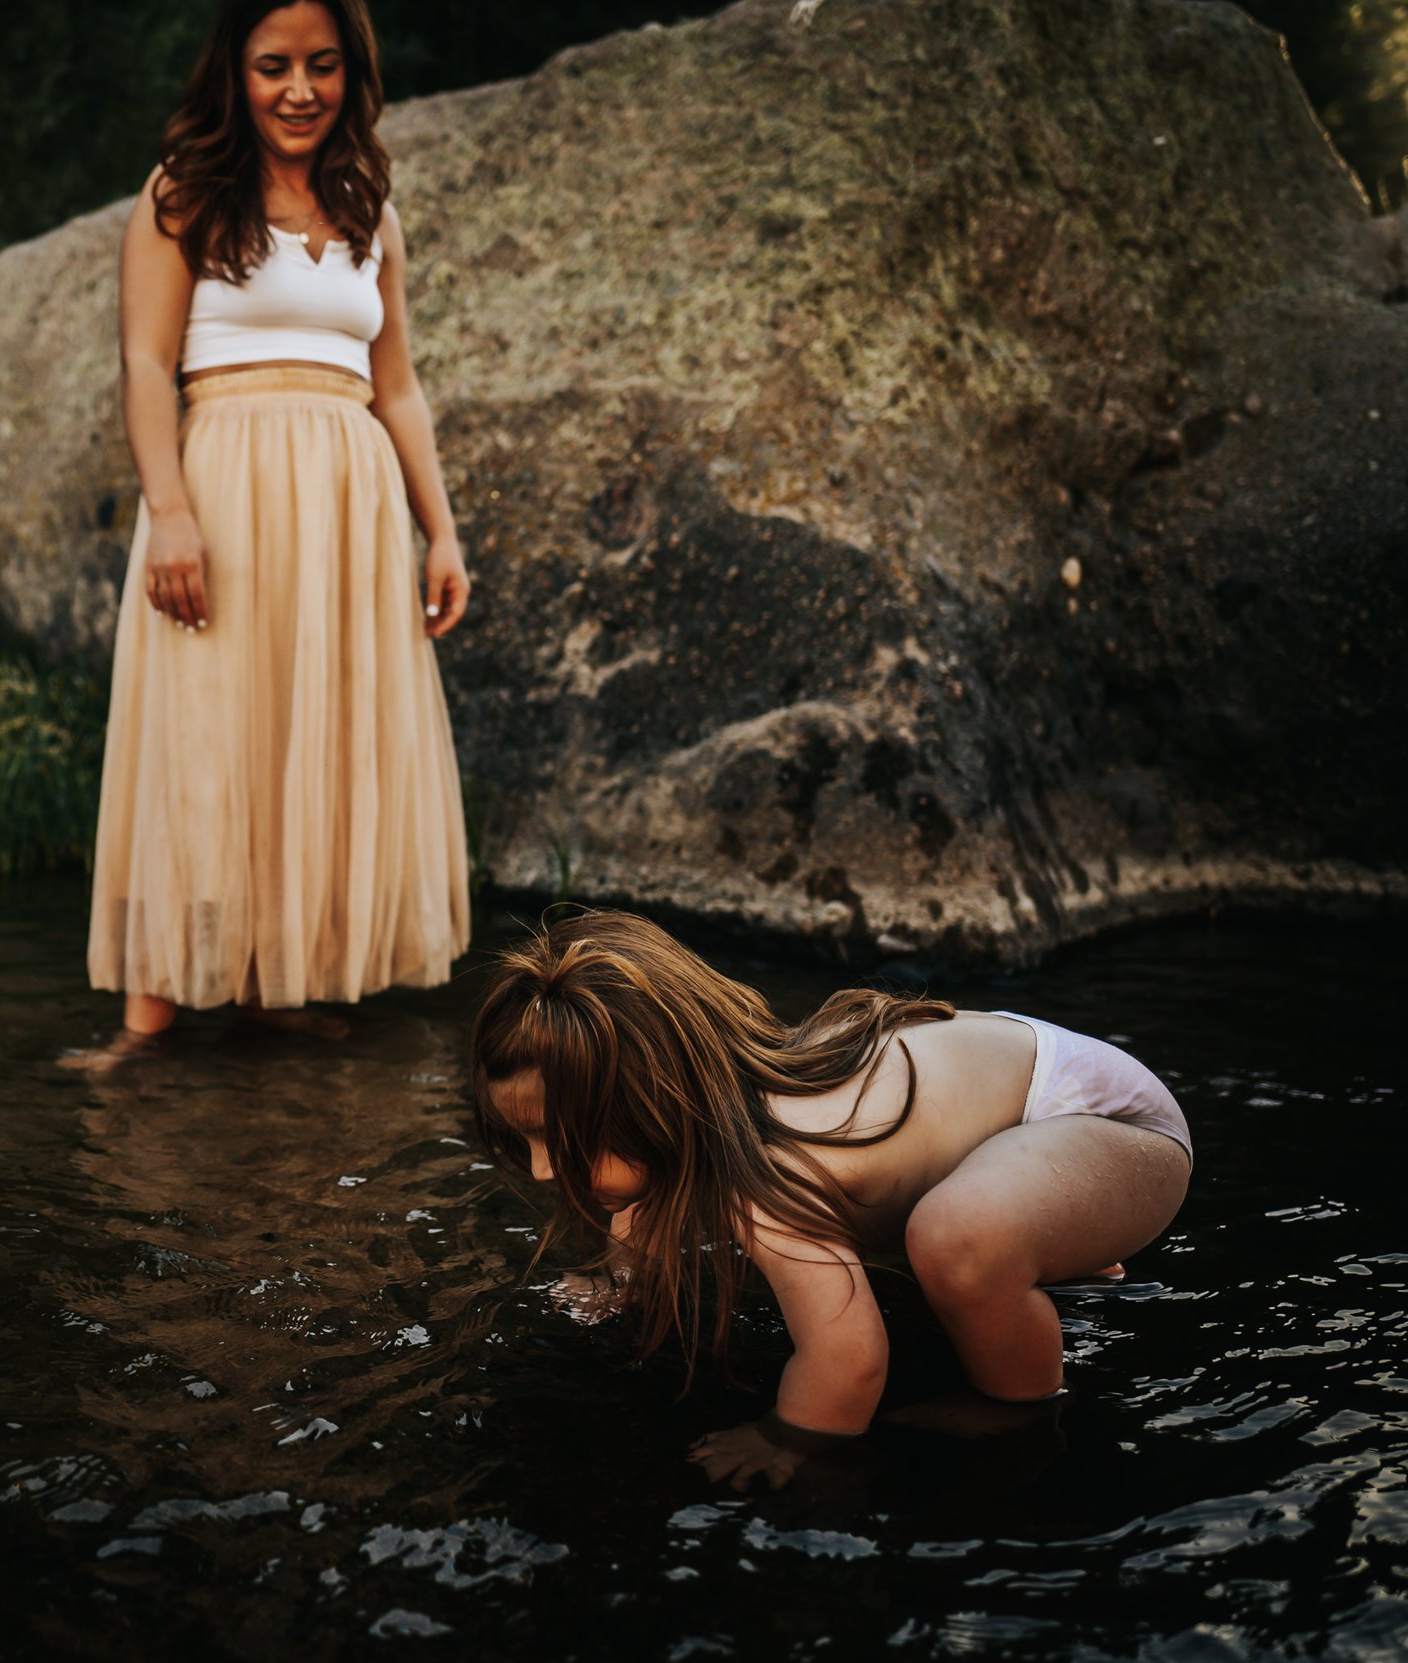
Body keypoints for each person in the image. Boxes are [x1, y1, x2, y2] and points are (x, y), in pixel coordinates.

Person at [468, 911, 1192, 1490]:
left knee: (955, 1240)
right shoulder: (717, 1115)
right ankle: (1051, 1246)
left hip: (1120, 1131)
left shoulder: (771, 1178)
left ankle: (1017, 1402)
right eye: (525, 1139)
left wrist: (788, 1437)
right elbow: (647, 1205)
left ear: (651, 1107)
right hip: (1044, 1105)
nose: (539, 1170)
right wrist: (624, 1273)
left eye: (560, 1142)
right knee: (953, 1226)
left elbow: (848, 1355)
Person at [78, 0, 472, 1062]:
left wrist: (441, 533)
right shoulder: (181, 198)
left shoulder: (369, 211)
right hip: (224, 489)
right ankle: (147, 1018)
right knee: (204, 725)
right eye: (273, 65)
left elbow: (399, 391)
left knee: (315, 735)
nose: (299, 88)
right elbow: (143, 365)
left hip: (348, 500)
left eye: (322, 65)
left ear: (352, 73)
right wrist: (168, 513)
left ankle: (273, 979)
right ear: (233, 74)